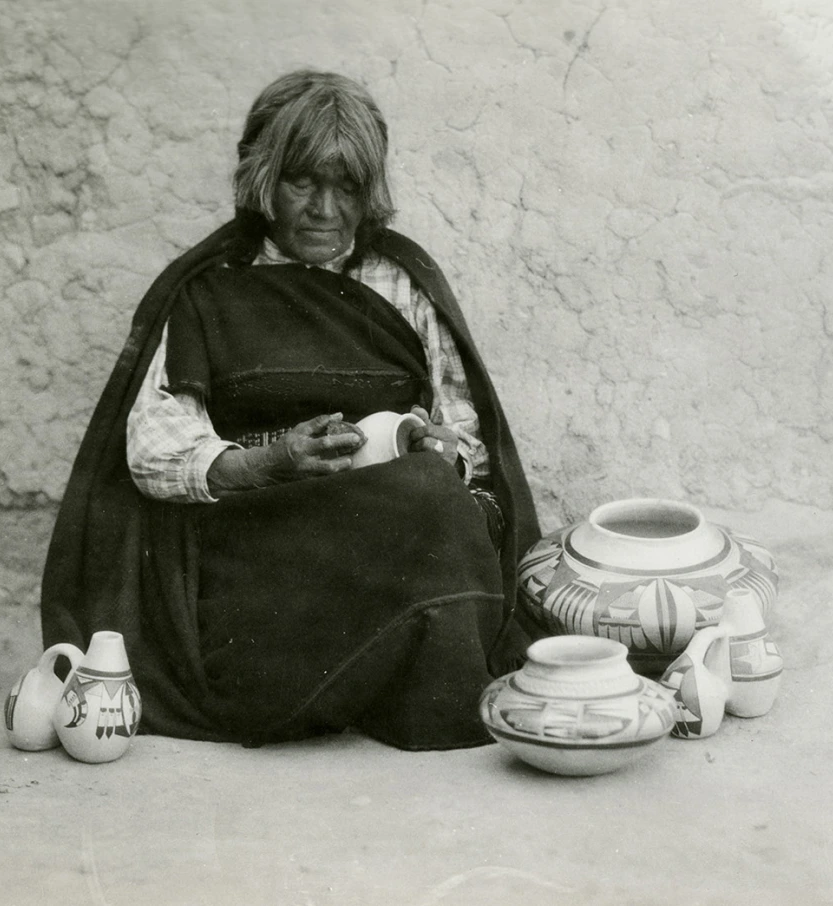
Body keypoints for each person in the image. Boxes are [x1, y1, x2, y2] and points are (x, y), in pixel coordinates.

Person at [40, 70, 541, 751]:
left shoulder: (402, 284)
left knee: (434, 494)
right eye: (304, 181)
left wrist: (435, 448)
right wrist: (267, 464)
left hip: (390, 537)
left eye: (348, 188)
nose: (325, 209)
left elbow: (468, 440)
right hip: (263, 562)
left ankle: (404, 691)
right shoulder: (210, 290)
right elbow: (152, 449)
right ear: (263, 180)